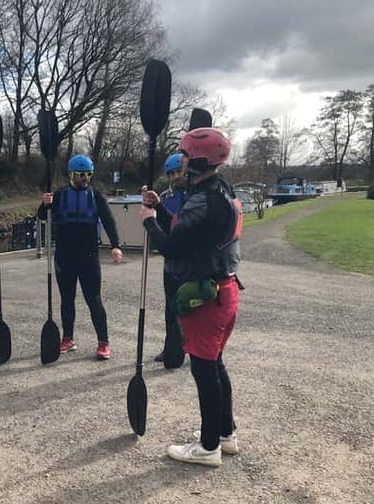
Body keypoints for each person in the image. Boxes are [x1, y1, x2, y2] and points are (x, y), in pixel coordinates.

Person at [139, 127, 242, 467]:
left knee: (203, 370)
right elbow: (189, 230)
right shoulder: (219, 190)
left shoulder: (204, 198)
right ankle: (225, 434)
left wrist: (149, 222)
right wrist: (163, 211)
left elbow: (171, 246)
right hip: (225, 291)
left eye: (184, 155)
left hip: (206, 297)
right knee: (216, 365)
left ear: (198, 160)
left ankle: (208, 445)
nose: (180, 160)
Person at [38, 154, 123, 360]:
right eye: (80, 174)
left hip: (89, 256)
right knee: (67, 299)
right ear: (72, 174)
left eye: (87, 174)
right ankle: (67, 339)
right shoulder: (59, 195)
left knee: (94, 299)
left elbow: (109, 220)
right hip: (65, 256)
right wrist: (44, 204)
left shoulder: (96, 196)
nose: (84, 178)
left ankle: (103, 342)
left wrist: (115, 245)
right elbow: (42, 216)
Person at [153, 152, 187, 369]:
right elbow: (164, 226)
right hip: (171, 261)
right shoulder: (166, 196)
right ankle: (171, 347)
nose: (176, 176)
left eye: (179, 171)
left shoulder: (197, 195)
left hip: (192, 263)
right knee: (170, 308)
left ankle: (196, 348)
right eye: (171, 173)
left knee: (194, 306)